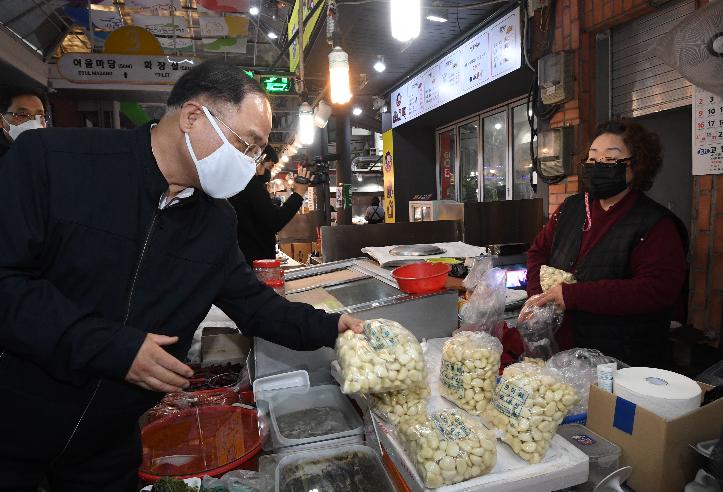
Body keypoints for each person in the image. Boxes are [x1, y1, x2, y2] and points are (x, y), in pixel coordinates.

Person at [0, 60, 362, 491]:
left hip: (108, 443)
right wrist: (112, 347)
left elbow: (256, 307)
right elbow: (7, 281)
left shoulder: (215, 223)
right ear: (193, 117)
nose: (250, 163)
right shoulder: (54, 162)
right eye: (246, 144)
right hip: (15, 418)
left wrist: (331, 326)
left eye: (258, 153)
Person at [526, 120, 688, 368]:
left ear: (637, 166)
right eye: (592, 159)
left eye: (611, 159)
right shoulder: (571, 208)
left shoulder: (656, 224)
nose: (598, 165)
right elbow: (538, 252)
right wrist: (539, 297)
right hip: (562, 349)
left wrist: (573, 295)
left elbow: (656, 290)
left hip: (620, 359)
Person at [228, 145, 312, 264]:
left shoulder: (235, 185)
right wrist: (299, 193)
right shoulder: (252, 186)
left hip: (242, 259)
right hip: (255, 261)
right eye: (270, 166)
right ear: (258, 161)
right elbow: (276, 220)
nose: (267, 171)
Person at [0, 86, 47, 157]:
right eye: (23, 115)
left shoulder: (51, 154)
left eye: (40, 116)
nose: (34, 122)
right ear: (1, 121)